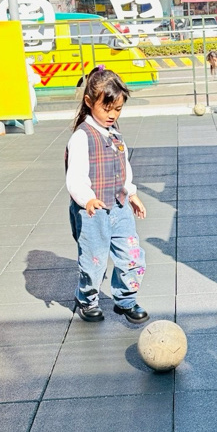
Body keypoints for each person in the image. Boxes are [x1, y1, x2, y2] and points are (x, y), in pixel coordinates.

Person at [65, 66, 149, 324]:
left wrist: (131, 193)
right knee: (94, 259)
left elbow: (124, 167)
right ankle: (86, 299)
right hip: (93, 211)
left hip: (120, 206)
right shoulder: (82, 137)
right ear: (89, 102)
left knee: (131, 254)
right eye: (107, 108)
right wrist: (87, 198)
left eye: (118, 109)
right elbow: (75, 177)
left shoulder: (115, 134)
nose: (113, 115)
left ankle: (125, 299)